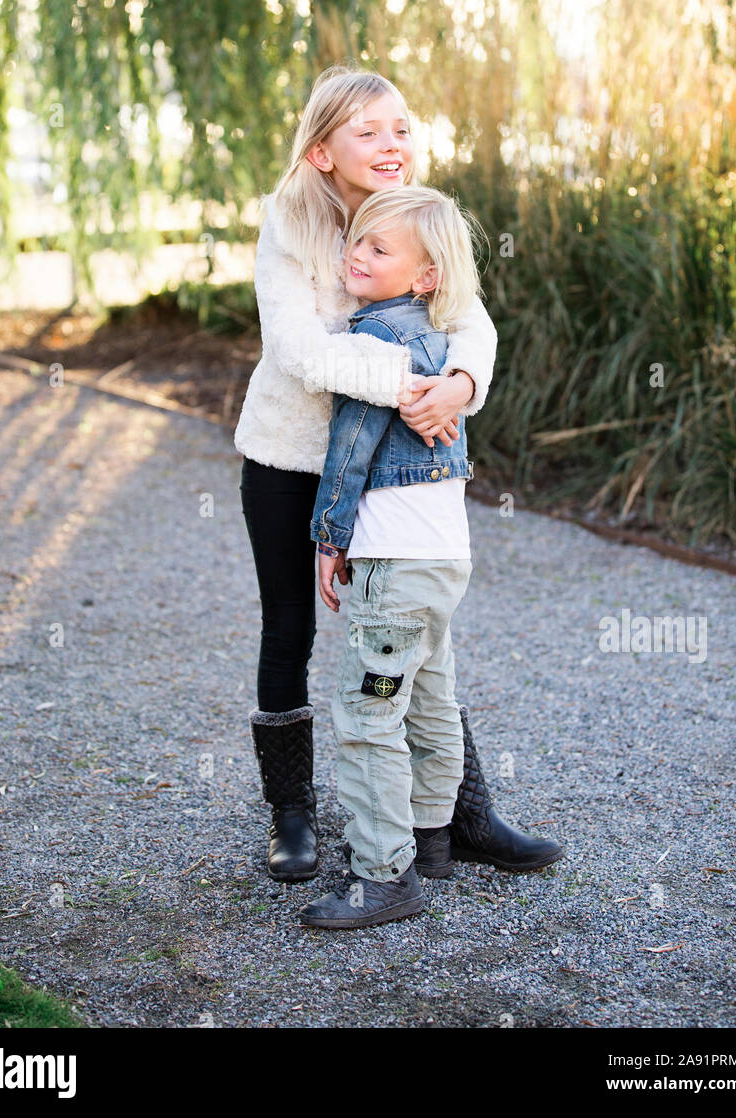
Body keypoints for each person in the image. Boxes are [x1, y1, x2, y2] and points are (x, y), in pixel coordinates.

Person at [234, 65, 561, 882]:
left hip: (386, 466)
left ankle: (463, 813)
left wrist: (459, 384)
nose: (392, 145)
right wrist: (409, 384)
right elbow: (298, 351)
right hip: (290, 456)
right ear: (320, 152)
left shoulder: (418, 212)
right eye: (368, 132)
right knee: (290, 629)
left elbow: (469, 319)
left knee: (408, 632)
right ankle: (293, 815)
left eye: (401, 128)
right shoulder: (290, 221)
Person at [299, 186, 563, 928]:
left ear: (424, 277)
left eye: (378, 249)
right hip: (444, 563)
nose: (357, 254)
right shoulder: (444, 349)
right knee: (431, 702)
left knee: (366, 715)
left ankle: (385, 876)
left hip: (391, 568)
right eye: (357, 241)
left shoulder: (373, 345)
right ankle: (432, 839)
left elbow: (350, 455)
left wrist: (328, 538)